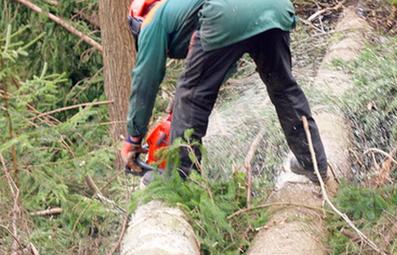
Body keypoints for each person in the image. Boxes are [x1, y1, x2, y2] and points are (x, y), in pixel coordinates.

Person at [120, 0, 337, 191]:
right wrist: (177, 107)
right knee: (284, 89)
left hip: (229, 14)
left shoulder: (151, 22)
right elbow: (224, 62)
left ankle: (178, 178)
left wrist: (134, 137)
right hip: (275, 8)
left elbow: (145, 80)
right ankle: (313, 162)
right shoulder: (183, 10)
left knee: (191, 96)